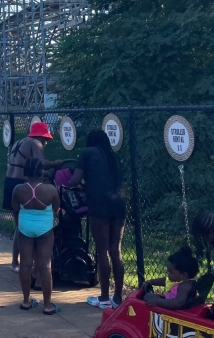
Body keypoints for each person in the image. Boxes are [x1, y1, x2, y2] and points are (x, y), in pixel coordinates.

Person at [68, 129, 127, 309]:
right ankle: (117, 297)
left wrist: (71, 183)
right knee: (116, 250)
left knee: (102, 250)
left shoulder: (86, 153)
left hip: (99, 205)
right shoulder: (113, 156)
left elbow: (76, 178)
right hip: (119, 203)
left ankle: (103, 298)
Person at [4, 121, 60, 273]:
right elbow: (40, 164)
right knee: (22, 227)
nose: (46, 143)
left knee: (19, 225)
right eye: (46, 139)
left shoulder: (20, 142)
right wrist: (56, 163)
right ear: (42, 136)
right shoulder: (36, 143)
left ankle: (15, 261)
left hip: (10, 182)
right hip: (23, 184)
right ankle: (21, 262)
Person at [12, 158, 61, 315]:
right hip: (45, 229)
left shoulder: (18, 189)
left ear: (25, 172)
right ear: (42, 172)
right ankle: (47, 305)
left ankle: (26, 301)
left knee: (25, 264)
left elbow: (14, 210)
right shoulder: (51, 190)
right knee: (45, 265)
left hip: (25, 226)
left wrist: (19, 225)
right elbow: (56, 208)